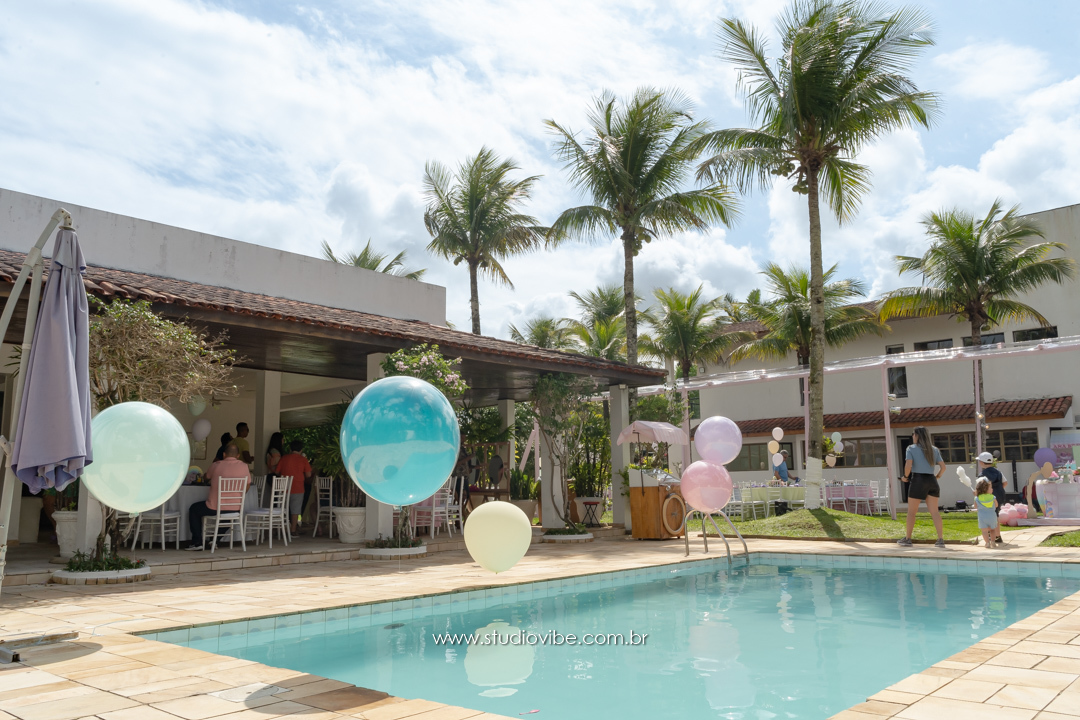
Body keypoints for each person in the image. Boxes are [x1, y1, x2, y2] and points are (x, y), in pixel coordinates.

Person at [187, 444, 251, 550]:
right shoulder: (244, 466)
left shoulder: (216, 465)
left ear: (224, 454)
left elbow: (206, 477)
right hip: (235, 507)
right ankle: (214, 539)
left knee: (194, 509)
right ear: (238, 456)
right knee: (229, 515)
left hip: (214, 507)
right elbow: (247, 485)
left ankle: (197, 542)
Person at [898, 426, 947, 547]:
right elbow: (943, 467)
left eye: (913, 434)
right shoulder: (934, 449)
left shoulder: (911, 448)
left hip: (918, 480)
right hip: (932, 480)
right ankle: (940, 539)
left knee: (911, 512)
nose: (912, 436)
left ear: (917, 436)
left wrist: (905, 476)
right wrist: (937, 477)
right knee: (935, 512)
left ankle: (908, 539)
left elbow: (908, 465)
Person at [276, 439, 313, 533]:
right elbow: (308, 475)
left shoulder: (284, 458)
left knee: (282, 509)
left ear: (290, 449)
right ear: (301, 450)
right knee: (295, 510)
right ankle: (293, 530)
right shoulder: (303, 460)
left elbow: (277, 471)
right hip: (298, 487)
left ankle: (281, 529)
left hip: (283, 488)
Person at [977, 451, 1006, 518]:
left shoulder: (982, 474)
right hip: (1000, 496)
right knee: (996, 514)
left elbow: (980, 488)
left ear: (981, 462)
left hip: (987, 498)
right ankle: (997, 525)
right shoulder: (998, 472)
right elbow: (1005, 483)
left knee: (988, 515)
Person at [973, 477, 1000, 548]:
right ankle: (993, 542)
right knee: (992, 530)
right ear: (985, 489)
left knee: (984, 531)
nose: (992, 489)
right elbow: (996, 505)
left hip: (982, 517)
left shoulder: (977, 498)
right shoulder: (993, 497)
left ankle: (987, 543)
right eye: (990, 488)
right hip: (992, 517)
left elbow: (975, 506)